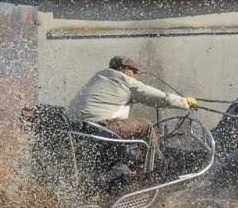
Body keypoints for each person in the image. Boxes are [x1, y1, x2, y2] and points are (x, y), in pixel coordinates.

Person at [67, 56, 198, 158]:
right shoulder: (125, 81)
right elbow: (162, 98)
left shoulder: (98, 77)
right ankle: (157, 169)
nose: (133, 75)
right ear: (125, 70)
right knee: (145, 126)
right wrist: (185, 102)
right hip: (102, 130)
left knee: (129, 125)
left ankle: (132, 162)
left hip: (77, 129)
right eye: (133, 71)